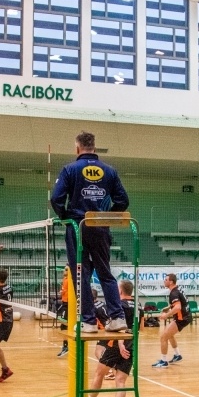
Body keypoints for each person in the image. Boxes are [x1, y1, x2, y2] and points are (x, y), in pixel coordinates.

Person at [50, 131, 130, 334]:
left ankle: (88, 321)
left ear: (77, 148)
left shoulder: (70, 169)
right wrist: (107, 217)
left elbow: (56, 199)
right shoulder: (110, 171)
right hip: (101, 228)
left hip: (78, 227)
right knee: (105, 272)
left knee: (80, 275)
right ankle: (118, 317)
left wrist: (66, 217)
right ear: (94, 147)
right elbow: (123, 201)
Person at [88, 280, 143, 397]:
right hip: (131, 346)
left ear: (120, 291)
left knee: (99, 374)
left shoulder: (119, 305)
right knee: (121, 382)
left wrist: (120, 343)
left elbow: (120, 327)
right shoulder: (138, 305)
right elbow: (141, 327)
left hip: (116, 344)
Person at [152, 273, 191, 368]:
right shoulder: (177, 290)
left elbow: (178, 307)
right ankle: (177, 355)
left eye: (166, 280)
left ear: (171, 282)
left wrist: (166, 315)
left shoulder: (174, 293)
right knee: (169, 335)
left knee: (163, 337)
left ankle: (163, 361)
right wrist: (169, 307)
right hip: (185, 316)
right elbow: (180, 303)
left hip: (181, 319)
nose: (164, 281)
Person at [57, 267, 70, 357]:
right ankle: (66, 346)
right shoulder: (65, 279)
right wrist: (61, 292)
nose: (63, 271)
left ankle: (66, 347)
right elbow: (63, 291)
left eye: (66, 269)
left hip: (68, 304)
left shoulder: (70, 280)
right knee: (63, 324)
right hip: (64, 303)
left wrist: (62, 292)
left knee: (63, 324)